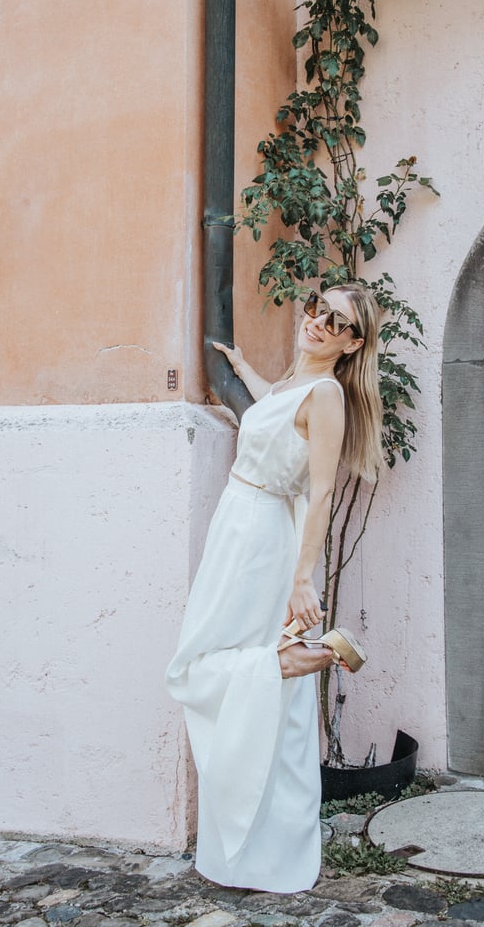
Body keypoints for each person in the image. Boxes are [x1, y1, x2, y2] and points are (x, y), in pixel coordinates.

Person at [165, 284, 384, 894]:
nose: (317, 321)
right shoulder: (294, 384)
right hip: (238, 530)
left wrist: (302, 578)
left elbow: (321, 492)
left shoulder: (329, 394)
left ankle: (275, 850)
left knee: (229, 670)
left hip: (264, 542)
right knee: (214, 659)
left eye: (335, 321)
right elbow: (269, 413)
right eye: (317, 307)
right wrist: (242, 369)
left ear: (352, 342)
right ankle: (236, 844)